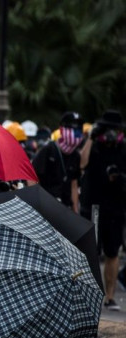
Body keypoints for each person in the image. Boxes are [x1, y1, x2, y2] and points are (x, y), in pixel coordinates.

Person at [80, 110, 126, 311]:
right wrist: (91, 137)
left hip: (116, 207)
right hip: (94, 206)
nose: (110, 134)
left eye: (114, 130)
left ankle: (109, 296)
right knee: (91, 251)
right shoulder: (95, 146)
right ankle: (90, 295)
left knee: (112, 252)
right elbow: (82, 163)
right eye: (107, 129)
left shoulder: (123, 148)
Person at [31, 112, 83, 210]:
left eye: (78, 129)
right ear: (62, 130)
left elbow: (74, 184)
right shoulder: (49, 149)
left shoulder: (76, 155)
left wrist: (75, 211)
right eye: (71, 129)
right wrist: (36, 204)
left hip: (65, 208)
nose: (76, 133)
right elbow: (32, 176)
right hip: (46, 207)